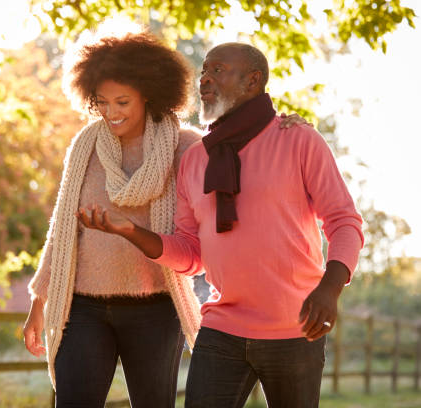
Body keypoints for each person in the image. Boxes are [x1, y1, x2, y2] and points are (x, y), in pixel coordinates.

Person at [24, 32, 307, 407]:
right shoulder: (85, 146)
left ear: (148, 95)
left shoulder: (184, 145)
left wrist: (284, 127)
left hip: (155, 309)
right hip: (84, 308)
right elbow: (61, 232)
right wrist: (38, 305)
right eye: (102, 102)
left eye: (122, 101)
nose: (111, 112)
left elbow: (238, 150)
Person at [77, 42, 364, 408]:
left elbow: (344, 222)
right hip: (221, 329)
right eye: (204, 71)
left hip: (294, 327)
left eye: (218, 70)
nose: (205, 79)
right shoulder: (196, 158)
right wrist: (130, 231)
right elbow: (191, 254)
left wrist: (330, 288)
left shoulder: (298, 139)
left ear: (252, 81)